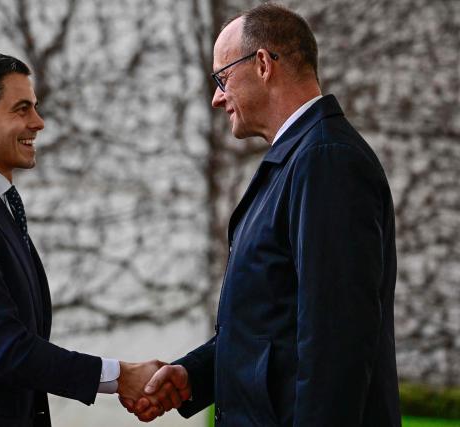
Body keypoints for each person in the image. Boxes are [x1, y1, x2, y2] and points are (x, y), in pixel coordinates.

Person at [128, 3, 401, 426]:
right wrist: (193, 374)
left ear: (261, 64)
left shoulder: (325, 160)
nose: (217, 98)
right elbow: (273, 325)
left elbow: (337, 339)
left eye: (222, 78)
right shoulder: (302, 158)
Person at [0, 53, 182, 427]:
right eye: (22, 109)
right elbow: (5, 350)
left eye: (35, 108)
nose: (38, 122)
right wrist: (120, 376)